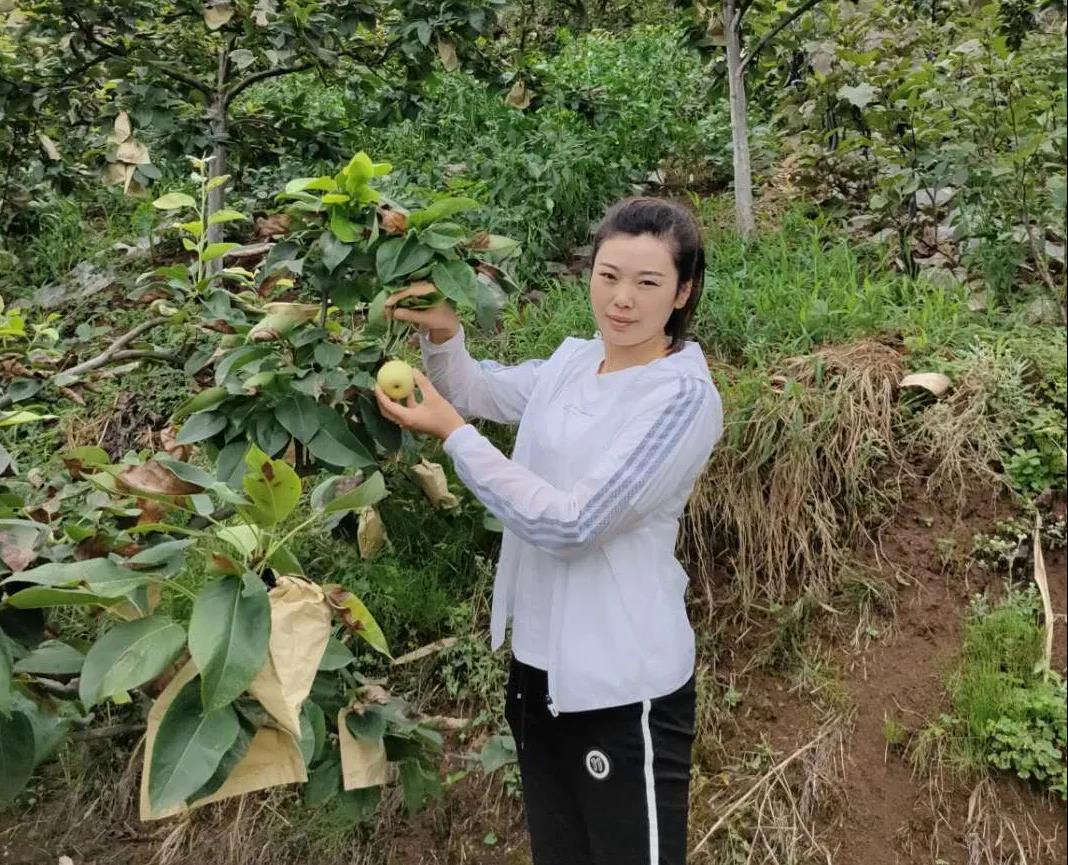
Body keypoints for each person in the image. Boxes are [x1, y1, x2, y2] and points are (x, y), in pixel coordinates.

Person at [374, 196, 723, 865]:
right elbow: (476, 389)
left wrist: (455, 438)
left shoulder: (680, 396)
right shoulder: (573, 362)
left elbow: (574, 522)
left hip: (624, 690)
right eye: (608, 275)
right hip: (538, 674)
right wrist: (443, 334)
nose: (622, 299)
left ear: (682, 292)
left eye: (648, 283)